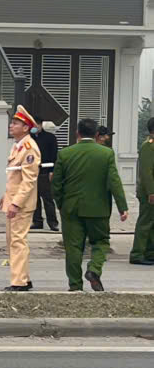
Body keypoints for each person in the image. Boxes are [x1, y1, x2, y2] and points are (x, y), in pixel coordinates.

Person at [52, 118, 128, 292]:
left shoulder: (65, 153)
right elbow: (114, 181)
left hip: (71, 208)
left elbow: (56, 184)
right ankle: (94, 269)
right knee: (101, 241)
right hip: (98, 209)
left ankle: (75, 285)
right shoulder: (106, 154)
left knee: (73, 247)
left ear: (77, 133)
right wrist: (122, 207)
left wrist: (61, 204)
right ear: (96, 134)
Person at [0, 105, 40, 292]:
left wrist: (16, 203)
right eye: (12, 122)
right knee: (12, 241)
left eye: (15, 123)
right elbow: (14, 177)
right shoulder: (18, 146)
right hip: (13, 201)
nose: (11, 125)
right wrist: (6, 197)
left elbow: (28, 180)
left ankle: (19, 282)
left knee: (17, 241)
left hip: (21, 205)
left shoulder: (29, 149)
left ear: (25, 127)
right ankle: (24, 278)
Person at [130, 116, 154, 266]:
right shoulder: (148, 146)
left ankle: (150, 253)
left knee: (152, 223)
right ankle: (137, 254)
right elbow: (146, 172)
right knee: (145, 223)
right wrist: (151, 192)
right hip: (148, 192)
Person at [30, 120, 60, 232]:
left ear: (40, 125)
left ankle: (53, 223)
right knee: (34, 199)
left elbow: (54, 154)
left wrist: (52, 171)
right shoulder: (29, 138)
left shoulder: (50, 137)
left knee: (47, 199)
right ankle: (37, 221)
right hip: (32, 172)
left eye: (36, 125)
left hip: (45, 171)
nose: (34, 127)